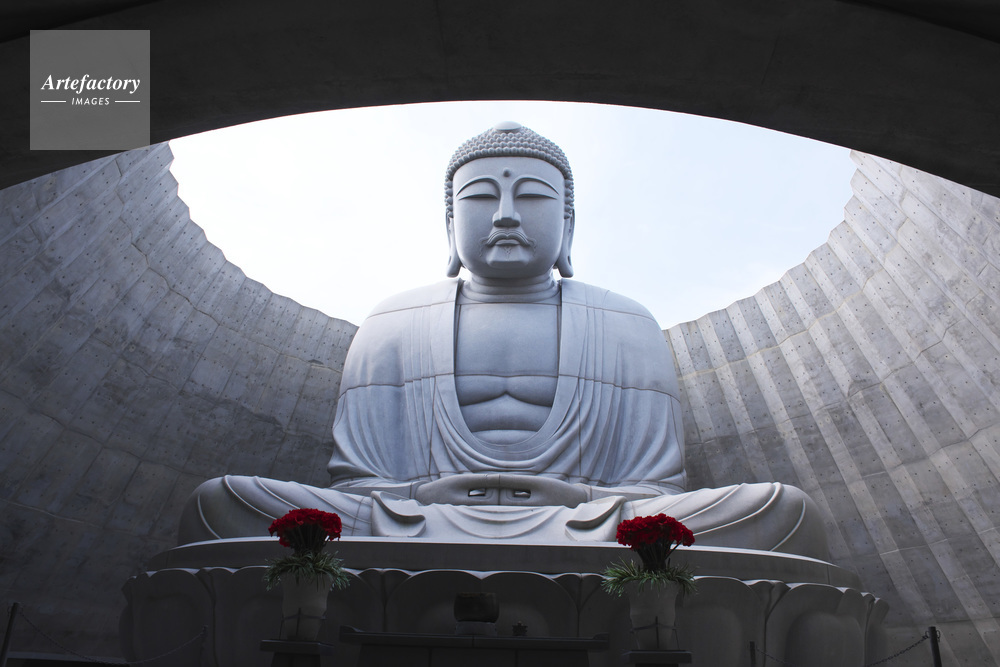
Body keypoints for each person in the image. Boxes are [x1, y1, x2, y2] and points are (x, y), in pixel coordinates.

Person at [179, 122, 828, 558]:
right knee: (223, 500)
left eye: (534, 197)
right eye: (482, 197)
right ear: (449, 222)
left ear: (568, 223)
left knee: (781, 510)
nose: (508, 214)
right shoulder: (394, 320)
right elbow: (361, 486)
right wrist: (424, 500)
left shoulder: (626, 323)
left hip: (588, 525)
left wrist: (579, 504)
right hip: (412, 523)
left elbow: (652, 490)